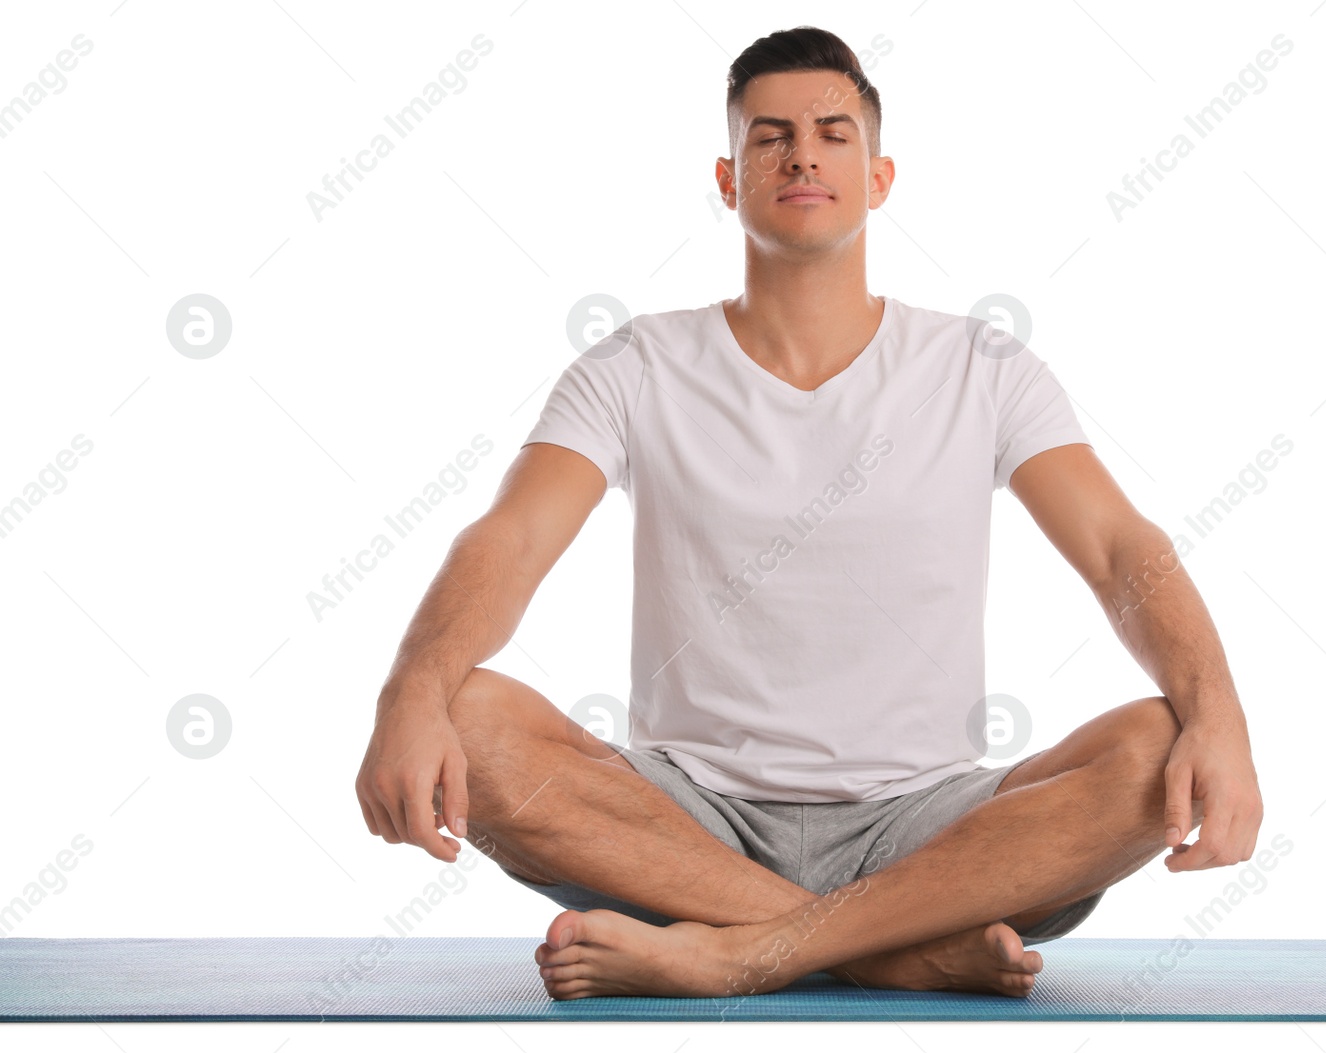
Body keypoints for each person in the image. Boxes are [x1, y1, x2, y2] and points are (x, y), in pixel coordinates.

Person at [355, 25, 1263, 1001]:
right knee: (466, 710)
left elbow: (1121, 548)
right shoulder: (635, 364)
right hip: (684, 825)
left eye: (832, 133)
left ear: (877, 177)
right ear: (728, 175)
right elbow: (512, 537)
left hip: (929, 826)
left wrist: (1226, 721)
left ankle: (743, 948)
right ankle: (883, 949)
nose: (801, 154)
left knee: (1159, 742)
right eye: (770, 135)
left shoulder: (981, 367)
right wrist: (407, 691)